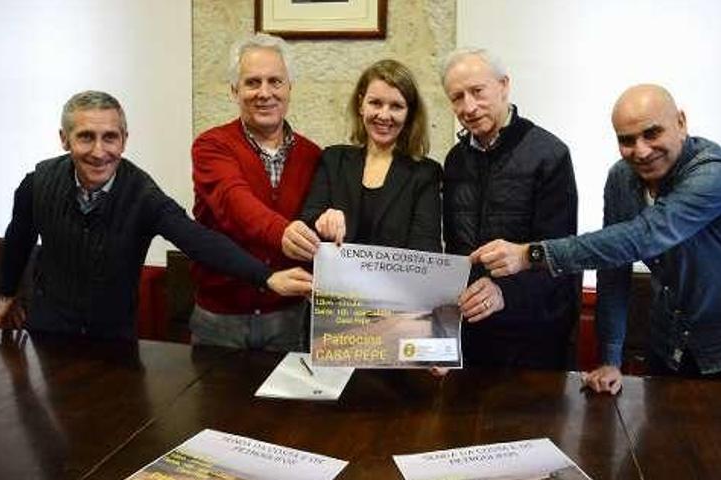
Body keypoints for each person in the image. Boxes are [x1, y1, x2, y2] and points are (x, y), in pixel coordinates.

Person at [473, 84, 721, 392]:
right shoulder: (621, 178)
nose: (641, 150)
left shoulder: (714, 173)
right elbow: (614, 271)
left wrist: (531, 254)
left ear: (681, 123)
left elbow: (643, 237)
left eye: (652, 133)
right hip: (668, 345)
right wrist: (610, 359)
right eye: (627, 140)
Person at [0, 91, 312, 338]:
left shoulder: (143, 193)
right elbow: (19, 238)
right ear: (65, 139)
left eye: (110, 137)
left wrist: (266, 277)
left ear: (125, 140)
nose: (99, 151)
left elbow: (197, 240)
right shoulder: (37, 183)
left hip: (115, 338)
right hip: (49, 332)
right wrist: (8, 292)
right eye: (86, 137)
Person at [439, 48, 580, 369]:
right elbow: (455, 251)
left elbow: (560, 253)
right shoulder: (455, 160)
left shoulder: (550, 154)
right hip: (470, 334)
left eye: (477, 91)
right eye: (457, 97)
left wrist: (506, 293)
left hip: (532, 339)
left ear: (504, 86)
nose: (468, 107)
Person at [190, 34, 321, 351]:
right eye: (252, 83)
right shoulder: (211, 145)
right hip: (220, 321)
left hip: (288, 317)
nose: (265, 93)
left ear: (290, 88)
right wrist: (283, 232)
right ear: (234, 91)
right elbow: (234, 202)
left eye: (275, 81)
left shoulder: (314, 155)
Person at [283, 59, 441, 257]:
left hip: (395, 287)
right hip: (334, 286)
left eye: (396, 106)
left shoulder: (426, 173)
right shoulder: (333, 160)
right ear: (361, 105)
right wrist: (321, 220)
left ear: (409, 114)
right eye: (375, 103)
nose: (384, 115)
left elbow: (425, 253)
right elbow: (306, 222)